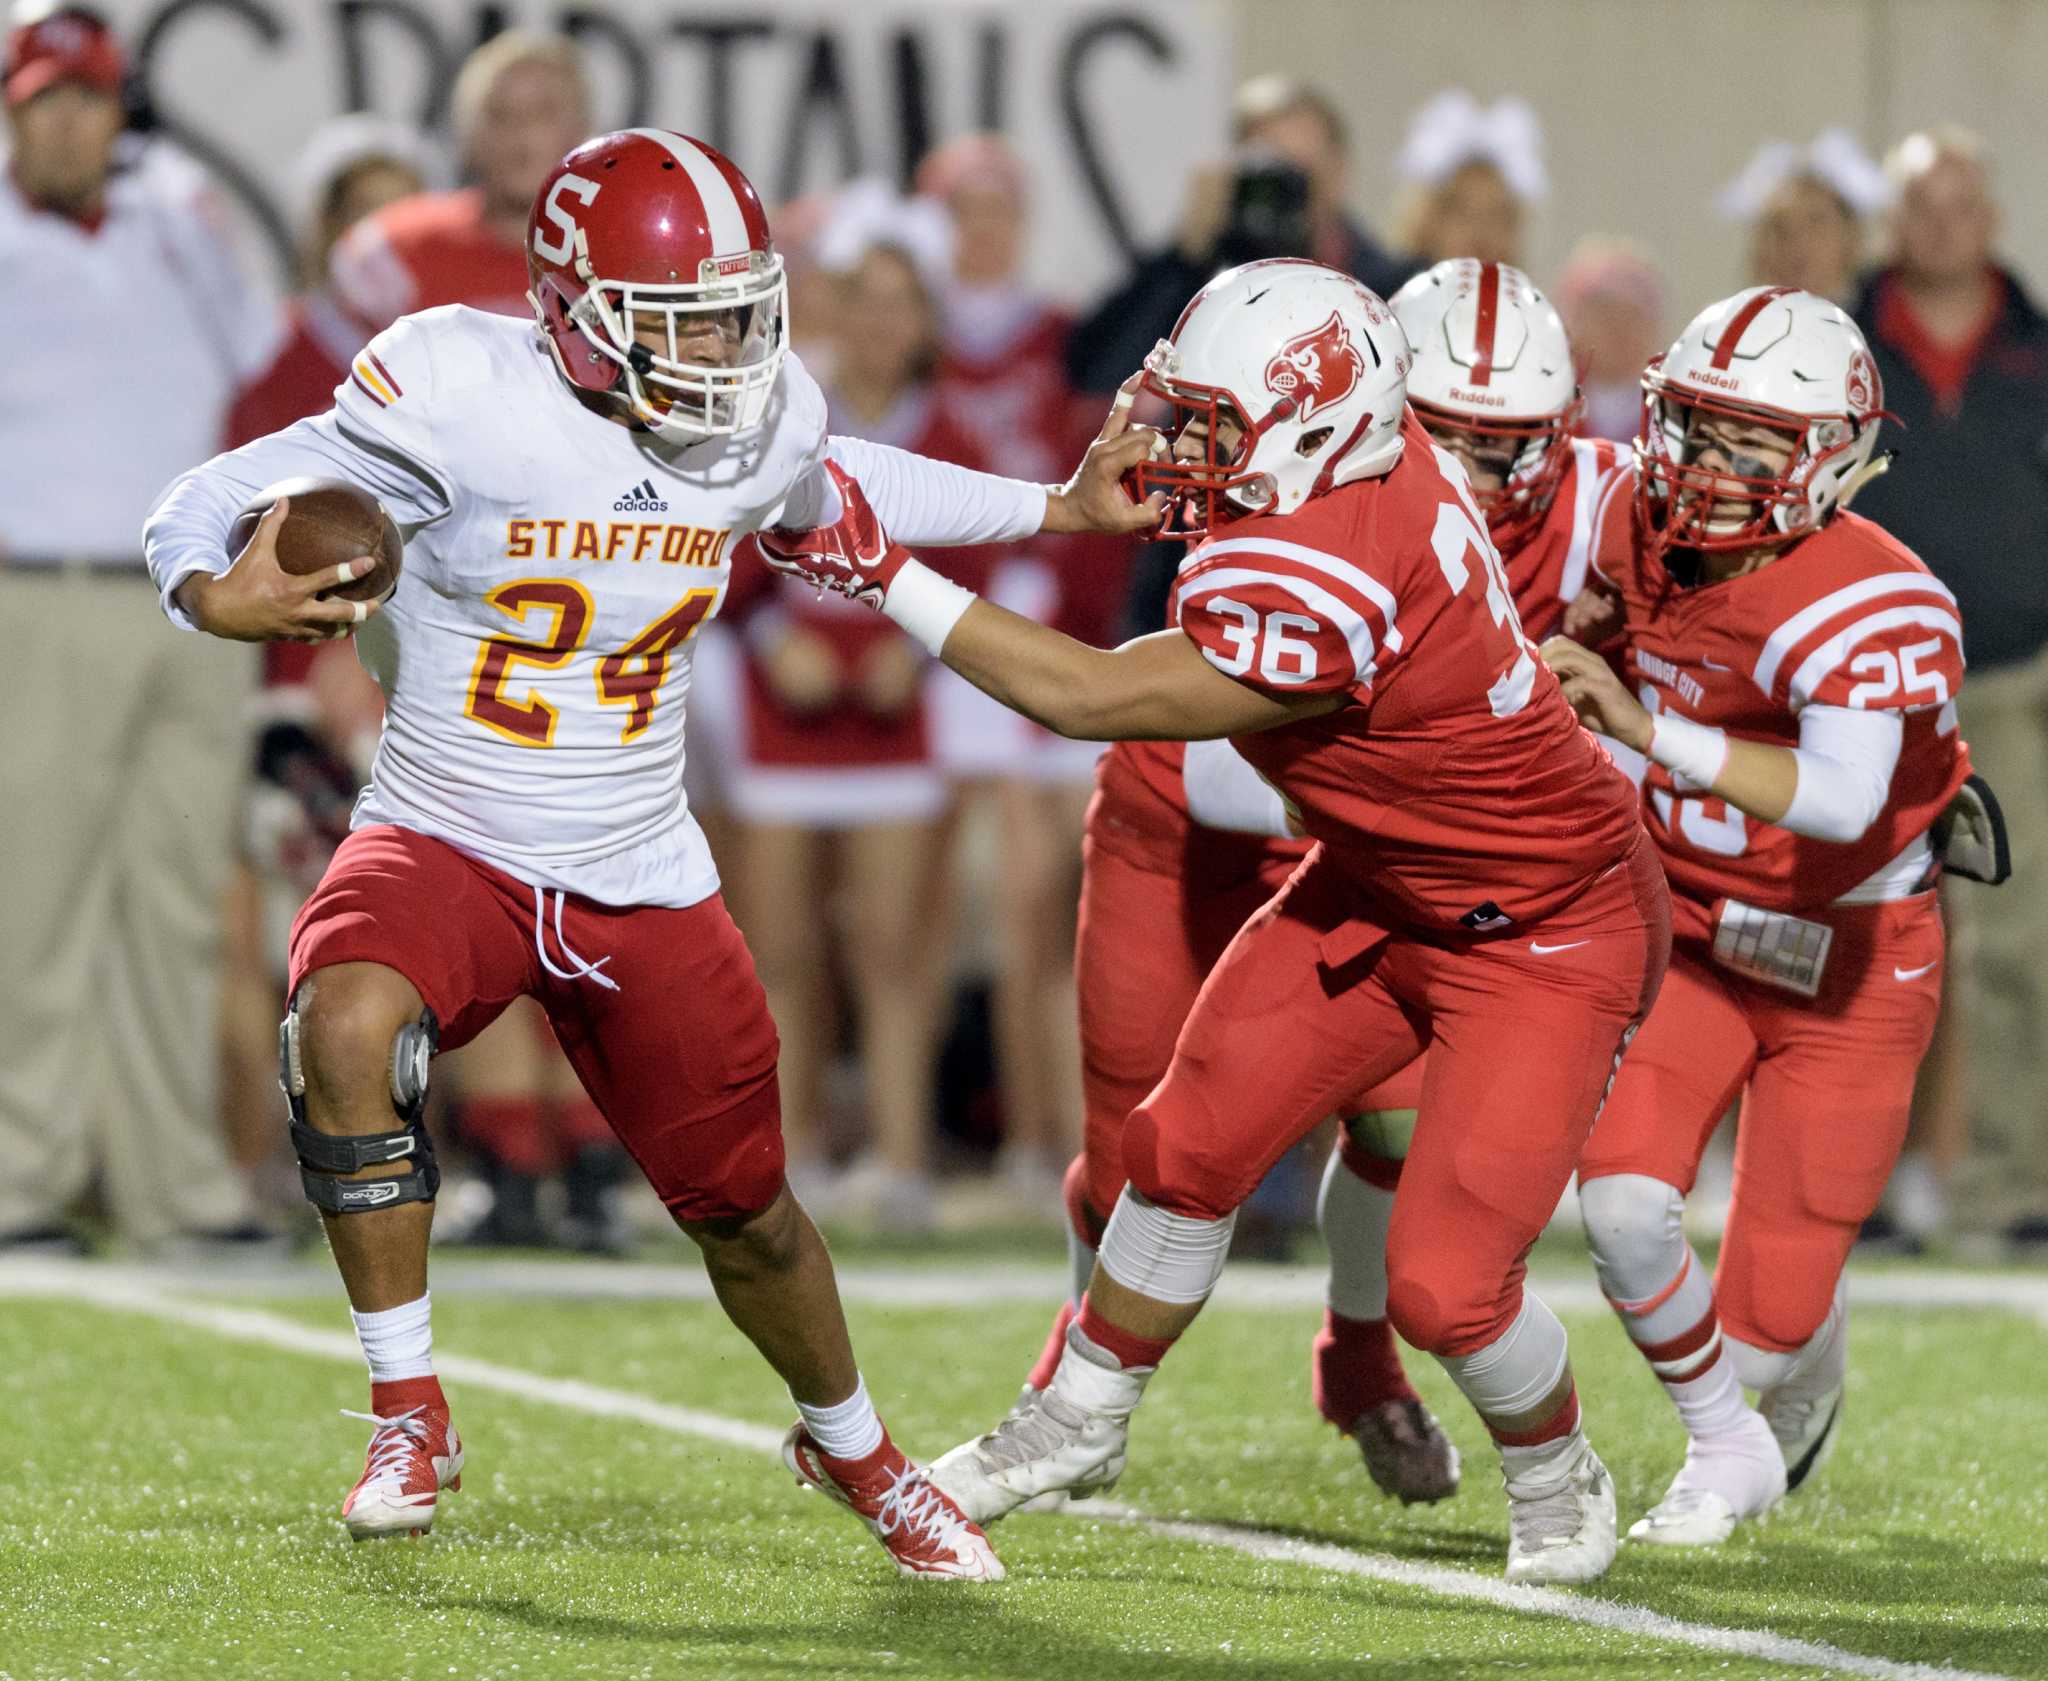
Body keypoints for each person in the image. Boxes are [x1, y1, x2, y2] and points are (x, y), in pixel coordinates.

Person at [142, 128, 1154, 1568]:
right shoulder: (454, 385)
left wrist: (1053, 505)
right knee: (344, 1019)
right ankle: (408, 1403)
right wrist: (209, 591)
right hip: (450, 832)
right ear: (571, 312)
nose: (729, 353)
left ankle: (857, 1447)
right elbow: (204, 495)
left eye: (741, 311)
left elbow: (838, 481)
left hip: (641, 870)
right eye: (686, 323)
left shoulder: (757, 417)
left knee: (749, 1217)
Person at [749, 258, 1668, 1585]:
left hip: (1538, 928)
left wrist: (884, 576)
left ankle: (1555, 1463)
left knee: (1448, 1285)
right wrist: (1047, 507)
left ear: (1310, 431)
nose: (1183, 446)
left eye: (1214, 427)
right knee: (1181, 1143)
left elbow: (1085, 694)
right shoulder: (1366, 455)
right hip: (1379, 877)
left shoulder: (1334, 567)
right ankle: (1075, 1416)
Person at [1547, 286, 1974, 1541]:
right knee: (1621, 1212)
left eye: (1751, 446)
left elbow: (1840, 800)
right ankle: (1718, 1447)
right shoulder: (1633, 515)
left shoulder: (1874, 600)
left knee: (1771, 1316)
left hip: (1850, 960)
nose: (1705, 471)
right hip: (1692, 929)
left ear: (1832, 459)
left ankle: (1781, 1386)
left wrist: (1641, 727)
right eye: (1692, 426)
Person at [0, 5, 281, 1253]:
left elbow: (262, 357)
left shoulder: (179, 218)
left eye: (91, 99)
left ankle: (178, 1187)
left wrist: (198, 228)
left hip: (193, 598)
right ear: (13, 110)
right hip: (39, 587)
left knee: (175, 898)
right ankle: (20, 1179)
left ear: (121, 113)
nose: (70, 122)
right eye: (48, 98)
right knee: (37, 897)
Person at [329, 34, 618, 1246]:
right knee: (469, 876)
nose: (526, 127)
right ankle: (503, 1149)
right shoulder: (393, 253)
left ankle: (596, 1160)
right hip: (445, 603)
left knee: (598, 877)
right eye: (507, 107)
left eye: (552, 106)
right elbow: (326, 428)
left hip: (605, 605)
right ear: (465, 126)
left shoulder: (633, 247)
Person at [708, 215, 983, 1228]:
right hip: (783, 720)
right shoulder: (780, 412)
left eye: (896, 302)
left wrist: (917, 650)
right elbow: (723, 536)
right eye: (858, 299)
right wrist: (773, 632)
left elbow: (985, 560)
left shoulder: (949, 434)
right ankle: (789, 1159)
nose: (876, 322)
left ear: (921, 321)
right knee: (774, 945)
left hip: (891, 725)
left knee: (890, 945)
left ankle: (901, 1156)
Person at [1850, 128, 2048, 1249]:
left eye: (1957, 203)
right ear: (1891, 222)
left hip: (2013, 684)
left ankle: (2009, 1187)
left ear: (1991, 220)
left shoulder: (2036, 347)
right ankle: (1854, 1185)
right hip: (1868, 690)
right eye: (1918, 204)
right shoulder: (1836, 340)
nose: (1939, 225)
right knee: (1863, 929)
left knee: (2015, 946)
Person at [1066, 75, 1409, 397]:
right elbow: (1095, 372)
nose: (1280, 195)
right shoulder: (1205, 280)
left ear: (1339, 174)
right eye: (1266, 176)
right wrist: (1185, 251)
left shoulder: (1389, 294)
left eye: (1298, 173)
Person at [329, 30, 587, 330]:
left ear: (582, 128)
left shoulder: (627, 247)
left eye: (543, 114)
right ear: (467, 135)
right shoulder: (394, 249)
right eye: (500, 115)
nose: (522, 135)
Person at [1718, 130, 1891, 305]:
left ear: (1851, 237)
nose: (1798, 243)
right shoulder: (1733, 329)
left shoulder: (1884, 327)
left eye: (1816, 224)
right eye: (1779, 228)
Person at [1390, 89, 1544, 270]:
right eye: (1463, 215)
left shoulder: (1527, 297)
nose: (1480, 234)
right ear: (1428, 221)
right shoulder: (1390, 293)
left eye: (1496, 217)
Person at [1555, 238, 1666, 444]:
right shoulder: (1547, 410)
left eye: (1633, 316)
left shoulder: (1671, 422)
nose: (1620, 329)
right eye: (1605, 314)